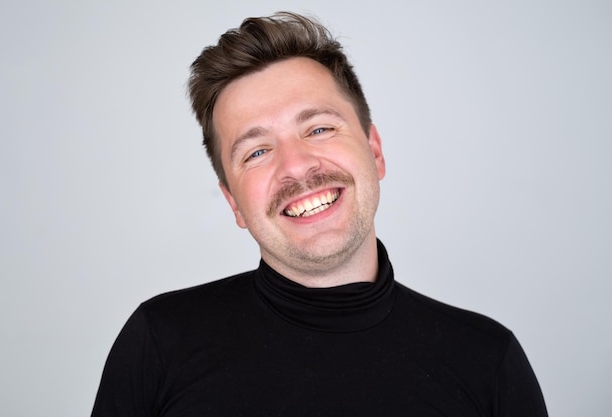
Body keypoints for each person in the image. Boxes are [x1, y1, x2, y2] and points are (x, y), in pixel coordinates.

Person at [91, 11, 548, 416]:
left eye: (319, 128)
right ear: (234, 203)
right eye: (256, 152)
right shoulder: (160, 343)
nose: (296, 166)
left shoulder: (486, 359)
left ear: (374, 151)